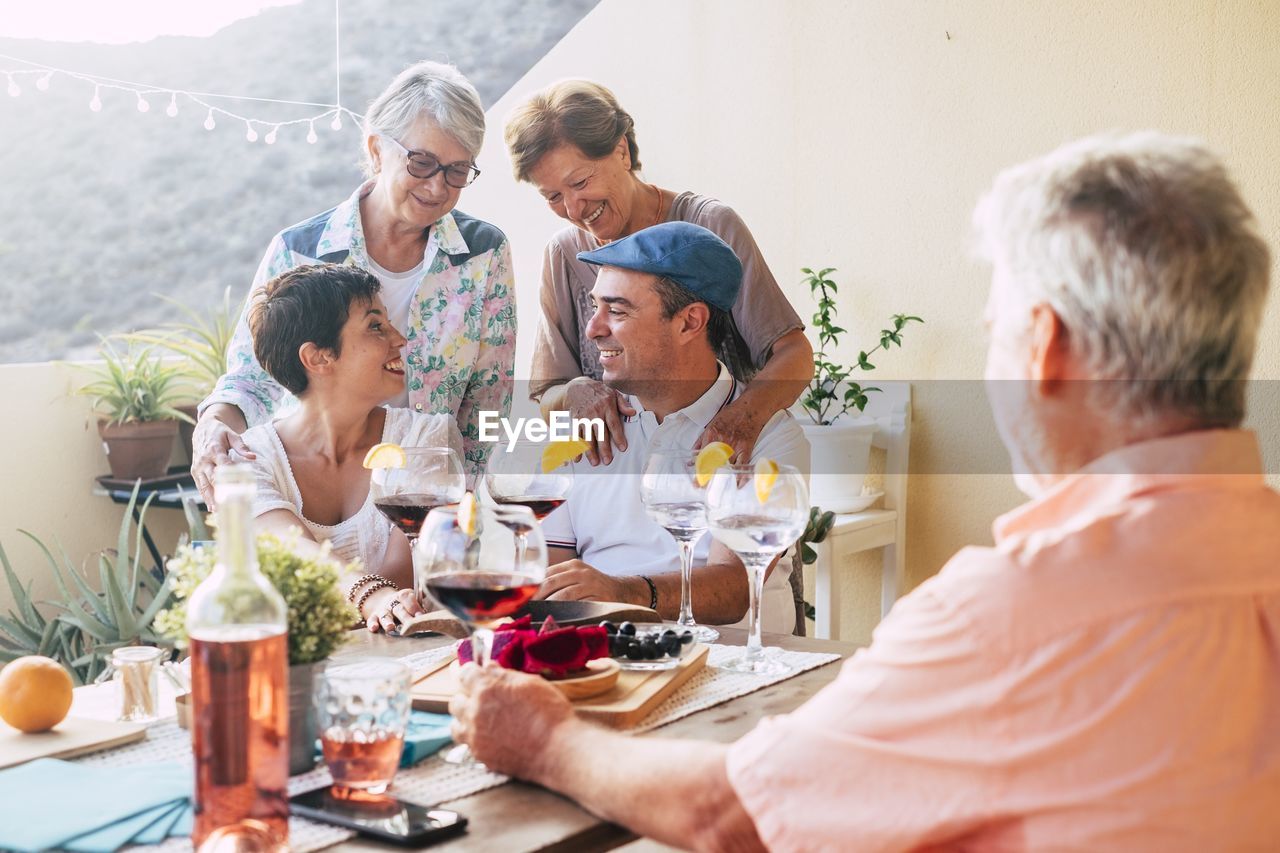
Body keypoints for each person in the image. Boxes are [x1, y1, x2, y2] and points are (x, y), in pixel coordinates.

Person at [450, 132, 1280, 850]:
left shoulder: (1012, 617)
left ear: (1045, 348)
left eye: (995, 332)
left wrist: (546, 741)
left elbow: (734, 814)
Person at [193, 60, 515, 507]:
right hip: (313, 485)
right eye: (422, 163)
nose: (438, 187)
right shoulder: (300, 250)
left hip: (428, 495)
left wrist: (465, 503)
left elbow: (489, 399)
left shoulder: (483, 253)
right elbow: (251, 375)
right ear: (378, 149)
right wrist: (213, 422)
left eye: (457, 171)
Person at [505, 79, 813, 466]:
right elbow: (548, 399)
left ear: (621, 150)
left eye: (580, 182)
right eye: (552, 196)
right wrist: (574, 392)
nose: (573, 208)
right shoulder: (565, 254)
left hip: (713, 466)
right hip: (620, 473)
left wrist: (742, 419)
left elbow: (794, 354)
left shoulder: (710, 226)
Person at [535, 221, 808, 634]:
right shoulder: (583, 422)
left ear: (689, 322)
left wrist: (621, 593)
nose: (593, 329)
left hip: (732, 667)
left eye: (618, 310)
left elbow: (734, 588)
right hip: (602, 659)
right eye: (595, 307)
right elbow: (553, 584)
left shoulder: (767, 436)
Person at [242, 263, 458, 633]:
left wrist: (378, 600)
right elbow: (297, 553)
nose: (400, 339)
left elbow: (405, 580)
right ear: (318, 358)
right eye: (376, 326)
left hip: (403, 658)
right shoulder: (250, 460)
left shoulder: (425, 439)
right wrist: (373, 598)